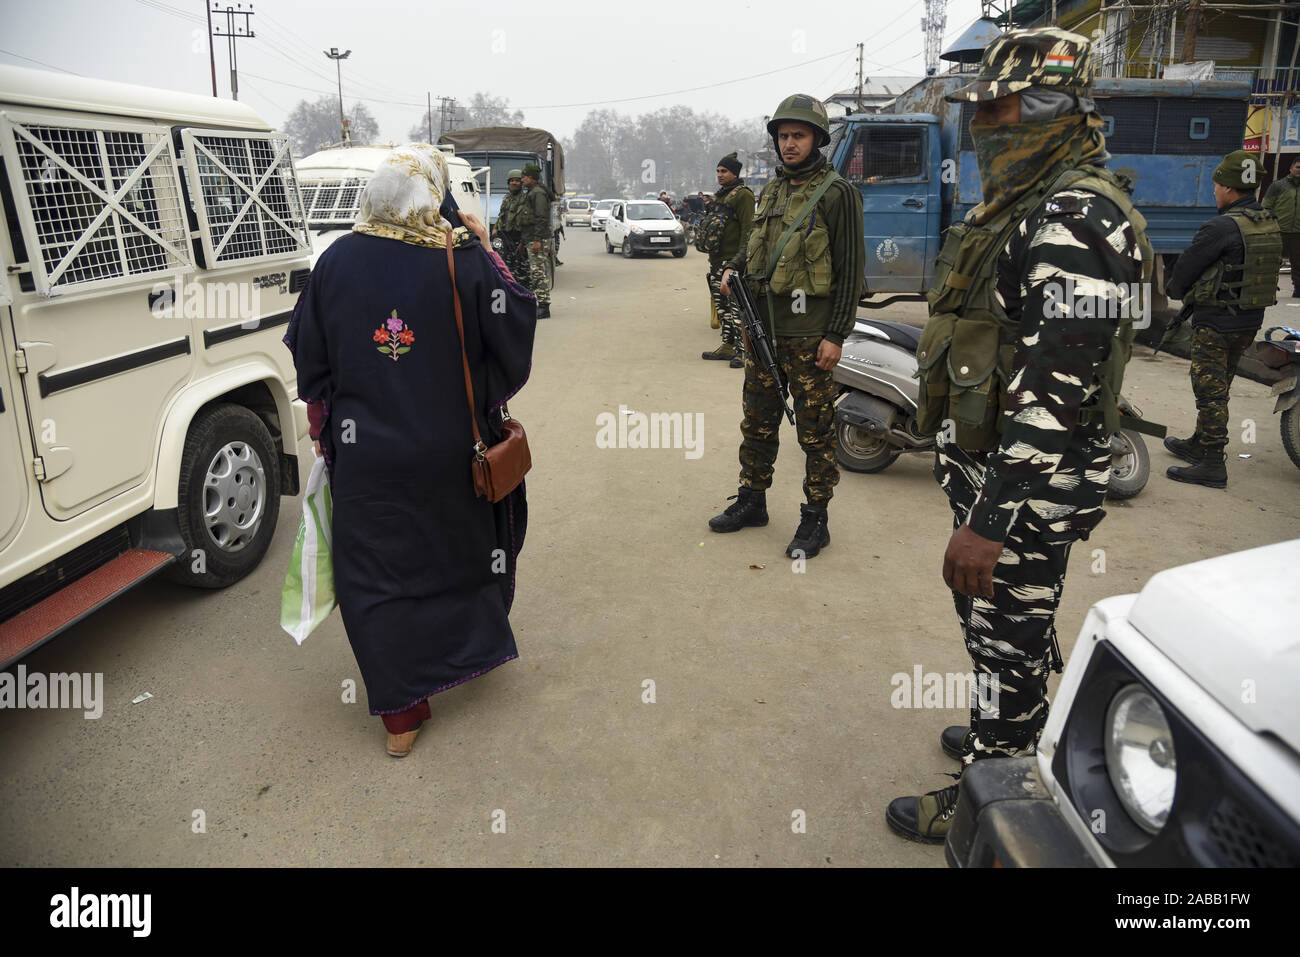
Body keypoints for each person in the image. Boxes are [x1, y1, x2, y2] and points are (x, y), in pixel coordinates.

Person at [886, 27, 1151, 843]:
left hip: (1025, 492)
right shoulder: (1026, 201)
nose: (984, 130)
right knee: (1003, 634)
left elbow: (1053, 402)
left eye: (998, 112)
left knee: (1006, 638)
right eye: (980, 114)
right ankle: (1014, 733)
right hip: (997, 474)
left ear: (1049, 110)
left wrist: (988, 523)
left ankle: (994, 796)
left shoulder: (1076, 217)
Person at [284, 145, 537, 758]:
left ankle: (400, 716)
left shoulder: (336, 259)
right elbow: (514, 333)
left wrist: (327, 429)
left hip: (367, 458)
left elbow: (310, 362)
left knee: (373, 576)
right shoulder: (463, 256)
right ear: (435, 196)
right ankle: (462, 655)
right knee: (455, 556)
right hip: (450, 451)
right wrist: (484, 242)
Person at [708, 94, 865, 558]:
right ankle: (752, 501)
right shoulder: (771, 191)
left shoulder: (837, 194)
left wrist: (835, 335)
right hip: (764, 333)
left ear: (817, 138)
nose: (789, 144)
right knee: (756, 422)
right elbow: (756, 244)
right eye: (782, 136)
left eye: (798, 135)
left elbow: (851, 272)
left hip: (809, 336)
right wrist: (732, 268)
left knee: (814, 431)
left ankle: (816, 519)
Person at [1164, 150, 1282, 488]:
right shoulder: (1268, 221)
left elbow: (1186, 270)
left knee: (1209, 391)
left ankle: (1213, 462)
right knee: (1221, 384)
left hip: (1216, 322)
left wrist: (1176, 289)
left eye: (1216, 186)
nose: (1214, 191)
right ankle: (1200, 443)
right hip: (1248, 321)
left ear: (1229, 189)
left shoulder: (1220, 226)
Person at [700, 152, 755, 368]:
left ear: (735, 173)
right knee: (722, 308)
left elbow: (748, 231)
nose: (719, 175)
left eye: (724, 171)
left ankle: (743, 351)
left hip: (732, 263)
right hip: (717, 261)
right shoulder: (720, 196)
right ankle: (727, 345)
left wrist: (738, 262)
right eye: (718, 171)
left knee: (737, 309)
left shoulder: (743, 196)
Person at [516, 162, 553, 319]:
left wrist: (537, 240)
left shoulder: (537, 193)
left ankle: (544, 307)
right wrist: (525, 241)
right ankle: (539, 303)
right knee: (534, 272)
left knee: (538, 273)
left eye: (524, 177)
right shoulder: (532, 192)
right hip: (531, 238)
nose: (522, 179)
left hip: (539, 239)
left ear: (531, 178)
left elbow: (540, 218)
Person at [1262, 156, 1300, 297]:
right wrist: (1269, 226)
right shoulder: (1278, 186)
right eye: (1297, 167)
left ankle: (1298, 289)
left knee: (1298, 262)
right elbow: (1266, 206)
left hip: (1298, 233)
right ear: (1291, 168)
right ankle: (1267, 288)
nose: (1299, 170)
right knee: (1272, 261)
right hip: (1279, 231)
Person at [495, 169, 528, 288]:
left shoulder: (526, 199)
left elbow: (528, 222)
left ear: (521, 183)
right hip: (506, 238)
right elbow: (501, 215)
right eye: (512, 181)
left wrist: (524, 241)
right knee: (505, 269)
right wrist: (495, 228)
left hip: (520, 239)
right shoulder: (506, 199)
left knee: (522, 272)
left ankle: (524, 295)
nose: (514, 183)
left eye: (517, 181)